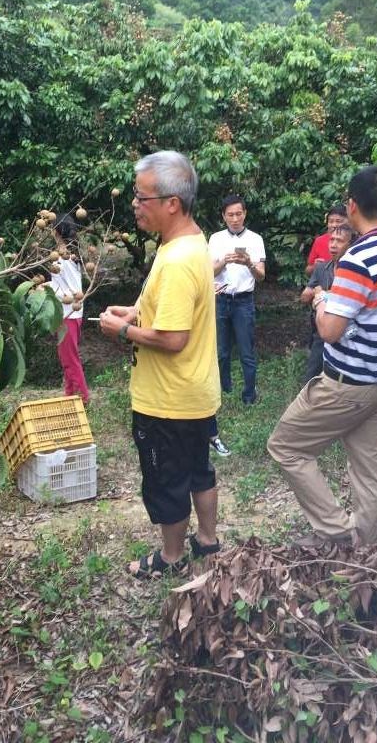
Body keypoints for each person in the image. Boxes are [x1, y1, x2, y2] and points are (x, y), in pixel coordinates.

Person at [268, 165, 377, 549]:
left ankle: (337, 532)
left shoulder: (357, 259)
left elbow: (329, 330)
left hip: (346, 384)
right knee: (369, 470)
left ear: (353, 206)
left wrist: (322, 300)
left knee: (286, 446)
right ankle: (370, 547)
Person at [99, 151, 221, 578]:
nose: (135, 204)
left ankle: (171, 558)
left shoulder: (175, 260)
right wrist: (134, 313)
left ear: (172, 202)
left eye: (142, 197)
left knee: (166, 479)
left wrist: (122, 331)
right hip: (196, 391)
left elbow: (173, 338)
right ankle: (207, 541)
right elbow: (174, 312)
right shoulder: (191, 243)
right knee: (198, 470)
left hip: (167, 399)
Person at [208, 195, 266, 405]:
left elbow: (261, 276)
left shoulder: (255, 239)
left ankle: (249, 395)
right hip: (221, 300)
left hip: (244, 301)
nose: (235, 219)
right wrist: (223, 261)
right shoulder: (215, 239)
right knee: (221, 352)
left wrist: (249, 263)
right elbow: (209, 272)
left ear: (245, 214)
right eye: (230, 214)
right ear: (224, 216)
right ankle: (225, 390)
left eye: (238, 214)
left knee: (246, 352)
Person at [300, 224, 354, 382]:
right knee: (312, 373)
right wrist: (309, 292)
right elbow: (304, 297)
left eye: (339, 241)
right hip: (321, 328)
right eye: (332, 240)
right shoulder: (322, 268)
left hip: (347, 333)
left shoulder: (356, 271)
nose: (333, 245)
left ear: (350, 245)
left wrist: (323, 294)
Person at [47, 214, 89, 404]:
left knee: (69, 359)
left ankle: (83, 399)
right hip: (72, 314)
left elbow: (66, 292)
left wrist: (44, 288)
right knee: (67, 358)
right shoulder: (72, 256)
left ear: (56, 231)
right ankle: (70, 396)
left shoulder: (62, 260)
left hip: (68, 315)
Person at [305, 203, 347, 276]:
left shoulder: (355, 240)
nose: (334, 225)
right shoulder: (319, 241)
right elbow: (308, 270)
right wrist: (315, 266)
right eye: (331, 221)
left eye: (338, 221)